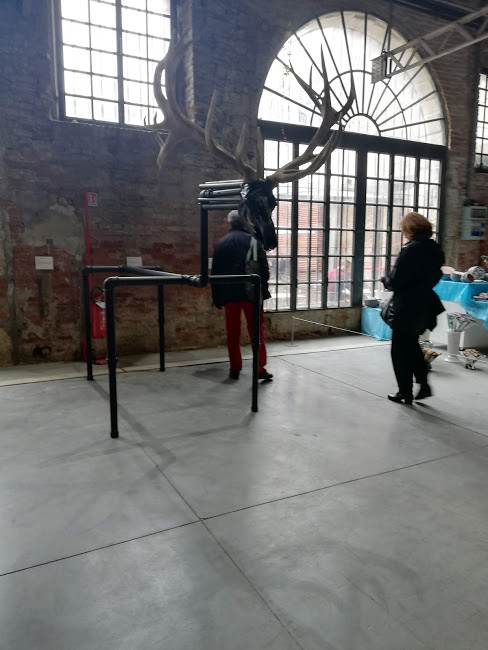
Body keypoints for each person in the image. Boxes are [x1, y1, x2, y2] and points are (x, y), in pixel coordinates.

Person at [381, 212, 445, 404]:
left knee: (399, 350)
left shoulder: (409, 250)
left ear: (409, 230)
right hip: (425, 303)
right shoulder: (435, 249)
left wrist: (386, 280)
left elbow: (396, 281)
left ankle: (404, 392)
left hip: (406, 305)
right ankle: (423, 384)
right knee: (411, 344)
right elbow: (436, 276)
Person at [211, 210, 273, 381]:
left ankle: (234, 367)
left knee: (232, 332)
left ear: (230, 223)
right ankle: (259, 368)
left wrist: (217, 297)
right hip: (251, 293)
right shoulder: (254, 241)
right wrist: (263, 290)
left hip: (229, 294)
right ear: (245, 221)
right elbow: (263, 269)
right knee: (256, 332)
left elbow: (215, 272)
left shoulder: (221, 243)